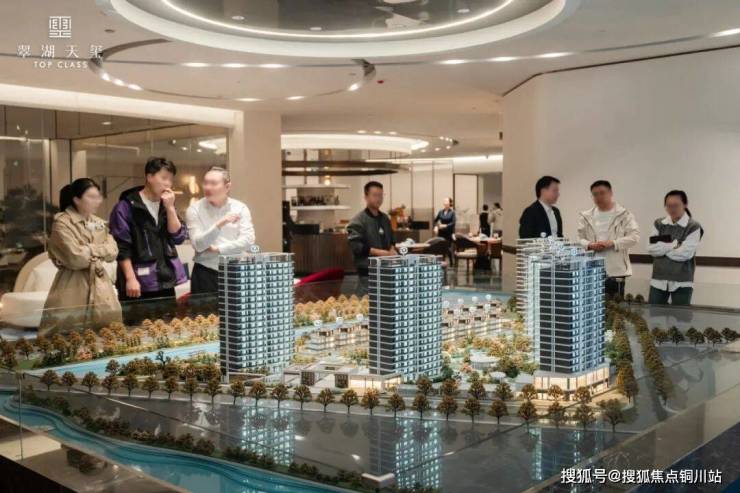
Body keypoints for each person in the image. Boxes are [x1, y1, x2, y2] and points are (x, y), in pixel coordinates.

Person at [109, 157, 188, 321]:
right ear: (149, 176)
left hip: (164, 280)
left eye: (171, 179)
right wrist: (130, 279)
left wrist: (170, 208)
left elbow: (178, 236)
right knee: (137, 330)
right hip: (137, 281)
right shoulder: (126, 206)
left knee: (167, 328)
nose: (168, 184)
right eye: (164, 178)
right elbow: (122, 247)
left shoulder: (166, 205)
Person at [40, 178, 121, 333]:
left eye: (98, 196)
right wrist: (100, 250)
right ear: (76, 199)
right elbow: (76, 258)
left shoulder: (99, 223)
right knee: (68, 333)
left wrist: (88, 249)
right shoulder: (62, 223)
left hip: (100, 283)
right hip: (72, 284)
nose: (98, 201)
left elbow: (113, 251)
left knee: (106, 333)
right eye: (91, 197)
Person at [185, 166, 255, 294]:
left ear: (227, 187)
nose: (208, 187)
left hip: (236, 271)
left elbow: (248, 240)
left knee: (237, 307)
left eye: (213, 183)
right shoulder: (194, 209)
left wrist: (218, 249)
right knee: (204, 308)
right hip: (205, 273)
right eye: (205, 183)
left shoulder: (240, 208)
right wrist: (219, 224)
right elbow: (198, 245)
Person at [577, 180, 640, 299]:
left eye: (602, 193)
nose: (598, 197)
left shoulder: (624, 215)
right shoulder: (585, 216)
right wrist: (590, 245)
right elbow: (579, 239)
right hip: (591, 271)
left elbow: (634, 237)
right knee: (591, 306)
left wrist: (613, 243)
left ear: (610, 193)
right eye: (595, 194)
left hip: (616, 272)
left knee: (615, 308)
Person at [647, 190, 703, 306]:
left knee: (680, 316)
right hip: (658, 280)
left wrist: (663, 247)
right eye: (668, 206)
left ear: (685, 205)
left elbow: (685, 254)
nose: (672, 209)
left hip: (682, 281)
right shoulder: (659, 224)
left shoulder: (693, 226)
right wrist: (675, 245)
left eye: (676, 205)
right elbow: (651, 249)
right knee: (654, 314)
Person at [347, 181, 396, 283]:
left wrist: (392, 250)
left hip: (386, 268)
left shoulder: (385, 218)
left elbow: (392, 239)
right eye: (375, 195)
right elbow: (356, 246)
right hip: (367, 271)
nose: (378, 198)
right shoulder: (358, 220)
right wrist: (380, 253)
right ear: (366, 197)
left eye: (381, 195)